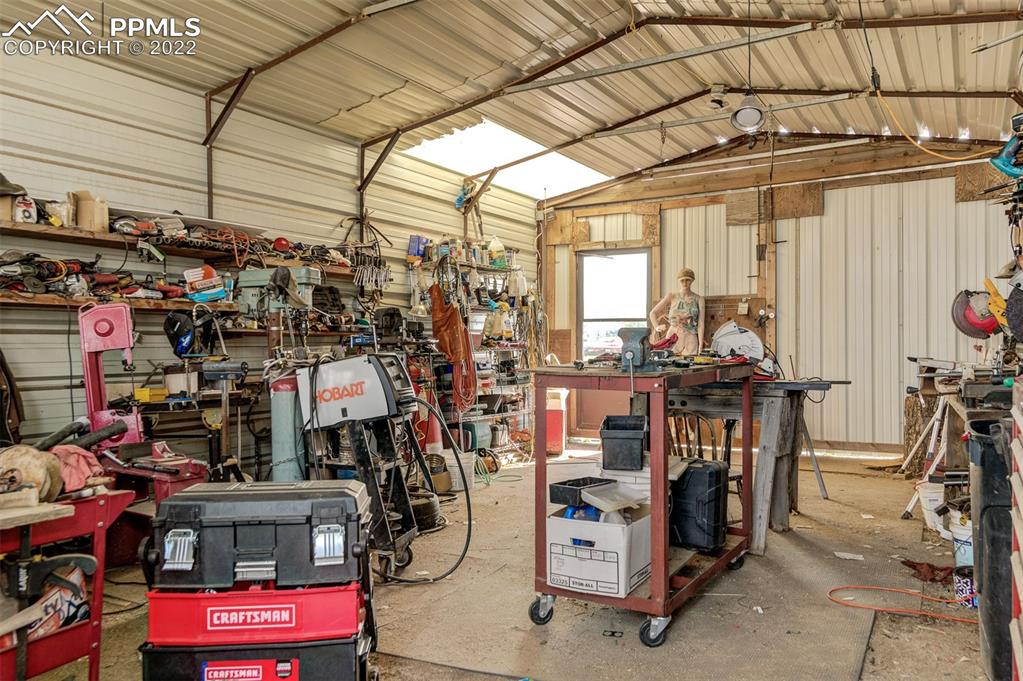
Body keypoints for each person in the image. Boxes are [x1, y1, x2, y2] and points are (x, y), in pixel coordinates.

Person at [649, 267, 705, 355]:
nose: (685, 283)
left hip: (690, 335)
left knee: (690, 363)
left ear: (692, 281)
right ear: (679, 281)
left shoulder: (699, 299)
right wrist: (657, 327)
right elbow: (652, 313)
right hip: (673, 335)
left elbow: (701, 323)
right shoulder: (672, 296)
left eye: (688, 280)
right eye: (682, 280)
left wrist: (701, 344)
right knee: (670, 361)